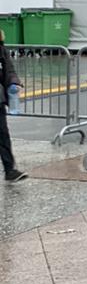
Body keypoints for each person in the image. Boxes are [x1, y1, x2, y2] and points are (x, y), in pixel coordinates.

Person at [0, 31, 26, 182]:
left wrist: (13, 82)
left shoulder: (1, 49)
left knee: (3, 134)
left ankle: (10, 170)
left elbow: (8, 70)